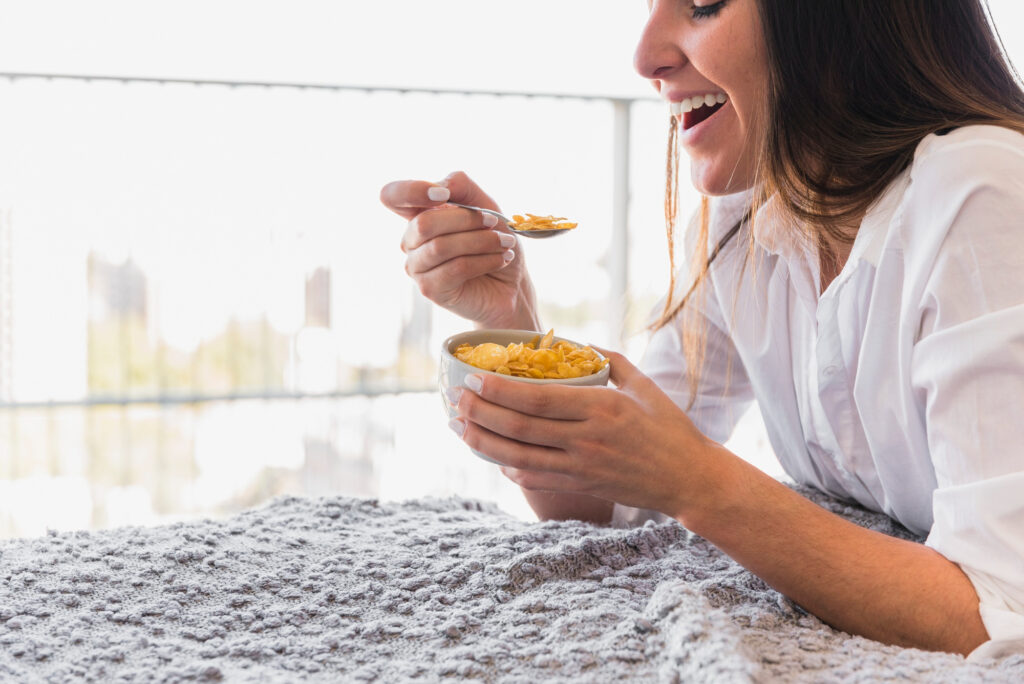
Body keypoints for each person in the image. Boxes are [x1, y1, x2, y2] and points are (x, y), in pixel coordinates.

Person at [380, 0, 1024, 660]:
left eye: (703, 5)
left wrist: (701, 483)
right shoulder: (743, 224)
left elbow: (999, 612)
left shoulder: (984, 193)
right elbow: (611, 501)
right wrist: (514, 325)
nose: (645, 56)